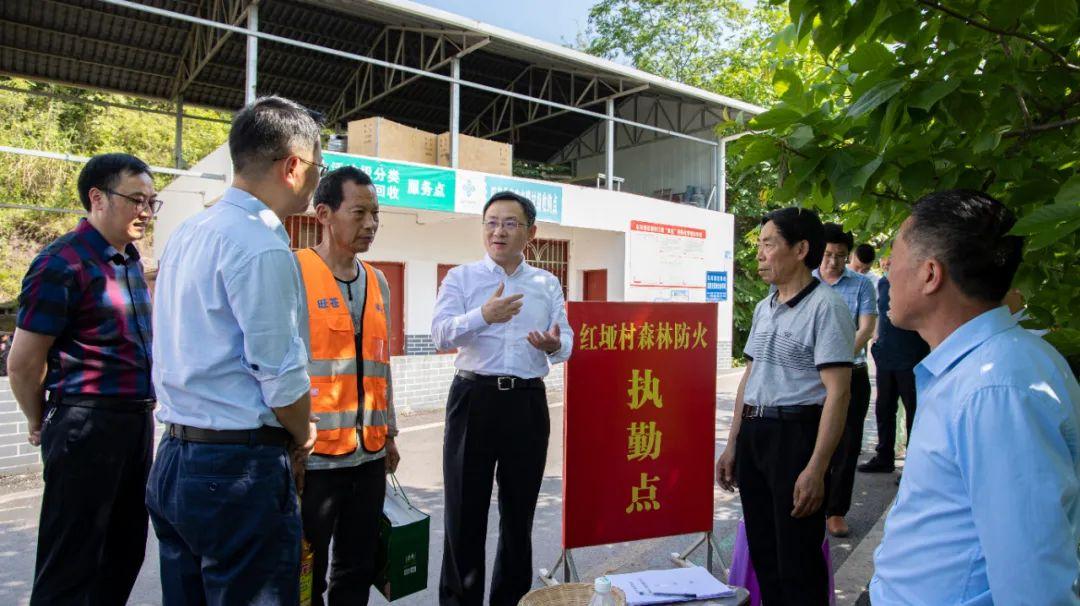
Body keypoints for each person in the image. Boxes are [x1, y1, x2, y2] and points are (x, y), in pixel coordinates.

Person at [147, 96, 322, 605]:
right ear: (293, 166)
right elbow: (281, 376)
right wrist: (304, 433)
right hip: (235, 470)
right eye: (318, 166)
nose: (317, 178)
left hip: (176, 457)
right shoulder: (261, 246)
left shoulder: (190, 232)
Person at [870, 190, 1080, 605]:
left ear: (931, 274)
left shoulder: (996, 389)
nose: (887, 269)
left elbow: (1033, 584)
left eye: (894, 256)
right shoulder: (979, 370)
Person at [7, 153, 158, 605]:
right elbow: (23, 362)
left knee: (124, 551)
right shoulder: (62, 263)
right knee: (72, 564)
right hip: (85, 423)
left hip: (134, 422)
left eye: (153, 202)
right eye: (136, 200)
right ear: (97, 197)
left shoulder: (129, 261)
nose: (146, 212)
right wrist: (41, 419)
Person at [432, 191, 573, 606]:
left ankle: (511, 600)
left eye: (510, 223)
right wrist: (483, 316)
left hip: (526, 402)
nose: (499, 231)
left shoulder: (546, 283)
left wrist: (551, 346)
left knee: (518, 513)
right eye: (492, 222)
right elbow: (440, 334)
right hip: (473, 396)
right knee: (464, 512)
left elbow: (566, 343)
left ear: (531, 231)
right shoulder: (461, 277)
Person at [716, 207, 853, 606]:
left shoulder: (826, 307)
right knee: (765, 552)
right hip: (757, 434)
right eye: (758, 245)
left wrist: (816, 468)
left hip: (796, 437)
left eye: (768, 244)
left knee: (797, 558)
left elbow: (838, 393)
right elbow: (750, 378)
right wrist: (732, 444)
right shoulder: (765, 306)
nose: (759, 254)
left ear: (800, 249)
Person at [297, 166, 401, 605]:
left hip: (368, 455)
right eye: (359, 213)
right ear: (324, 213)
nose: (371, 224)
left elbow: (382, 364)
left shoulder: (376, 281)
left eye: (375, 214)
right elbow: (277, 365)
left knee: (356, 567)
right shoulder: (292, 271)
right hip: (315, 459)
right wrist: (290, 447)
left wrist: (390, 433)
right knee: (306, 572)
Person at [813, 224, 876, 538]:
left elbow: (865, 329)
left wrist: (835, 359)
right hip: (810, 377)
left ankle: (836, 511)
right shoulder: (806, 280)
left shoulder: (862, 285)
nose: (832, 261)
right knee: (810, 438)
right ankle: (811, 501)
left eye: (839, 255)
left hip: (851, 374)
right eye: (827, 254)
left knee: (847, 444)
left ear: (848, 255)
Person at [857, 266, 928, 474]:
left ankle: (914, 467)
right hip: (886, 355)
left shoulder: (918, 281)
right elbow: (880, 313)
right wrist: (877, 341)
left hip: (912, 356)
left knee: (914, 411)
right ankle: (884, 456)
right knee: (884, 408)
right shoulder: (884, 282)